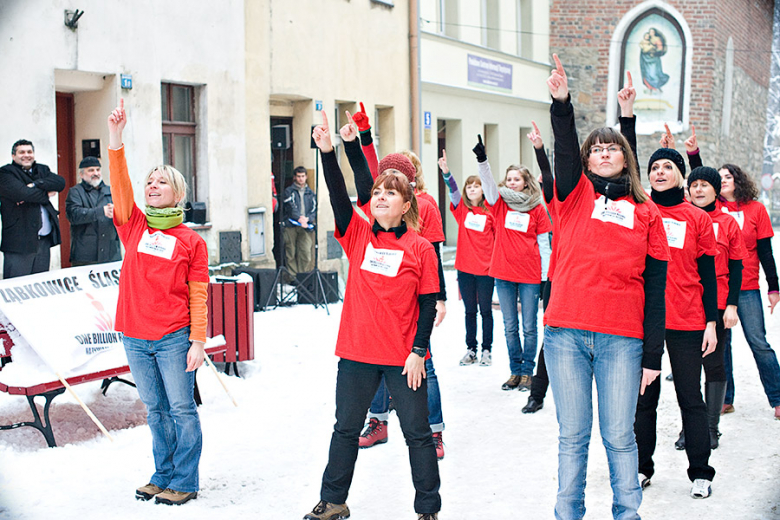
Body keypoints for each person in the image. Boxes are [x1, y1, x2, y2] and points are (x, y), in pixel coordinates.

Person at [544, 54, 669, 519]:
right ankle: (568, 513)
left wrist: (652, 357)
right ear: (586, 159)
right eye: (595, 148)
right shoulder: (573, 196)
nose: (603, 153)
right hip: (566, 335)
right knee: (572, 437)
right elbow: (562, 144)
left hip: (622, 340)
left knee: (619, 437)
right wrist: (562, 102)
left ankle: (627, 513)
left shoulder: (646, 212)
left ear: (625, 157)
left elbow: (655, 291)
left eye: (612, 148)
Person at [305, 111, 440, 520]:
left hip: (404, 358)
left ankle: (427, 509)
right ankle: (333, 500)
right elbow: (339, 194)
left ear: (405, 205)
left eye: (391, 192)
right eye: (378, 190)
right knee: (345, 428)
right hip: (358, 353)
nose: (380, 195)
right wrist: (329, 150)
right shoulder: (358, 236)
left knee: (417, 434)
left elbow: (429, 305)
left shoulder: (420, 248)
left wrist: (419, 350)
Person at [107, 100, 209, 506]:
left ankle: (184, 480)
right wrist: (115, 136)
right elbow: (119, 183)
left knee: (182, 410)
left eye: (161, 182)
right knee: (155, 411)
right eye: (150, 181)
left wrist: (197, 341)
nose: (152, 186)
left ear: (177, 192)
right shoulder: (133, 225)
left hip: (173, 337)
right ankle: (162, 474)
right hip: (135, 335)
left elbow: (198, 295)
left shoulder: (191, 241)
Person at [348, 107, 447, 459]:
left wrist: (440, 299)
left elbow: (433, 253)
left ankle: (433, 431)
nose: (386, 181)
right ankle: (378, 421)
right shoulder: (379, 202)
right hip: (380, 296)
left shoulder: (425, 206)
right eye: (384, 176)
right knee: (374, 361)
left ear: (410, 181)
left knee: (424, 364)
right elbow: (367, 174)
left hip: (413, 298)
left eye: (395, 176)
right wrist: (363, 135)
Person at [634, 144, 718, 499]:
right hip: (644, 320)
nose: (660, 172)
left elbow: (709, 274)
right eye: (654, 167)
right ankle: (641, 466)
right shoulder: (640, 211)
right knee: (643, 399)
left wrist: (711, 322)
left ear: (680, 174)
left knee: (690, 396)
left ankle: (701, 471)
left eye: (668, 166)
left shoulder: (698, 218)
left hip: (687, 317)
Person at [475, 135, 552, 392]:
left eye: (516, 179)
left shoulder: (537, 208)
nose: (512, 183)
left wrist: (545, 278)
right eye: (508, 179)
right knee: (510, 327)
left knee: (529, 327)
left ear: (525, 182)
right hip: (504, 273)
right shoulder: (500, 205)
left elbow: (544, 245)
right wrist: (482, 161)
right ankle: (514, 371)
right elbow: (487, 185)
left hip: (530, 276)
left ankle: (528, 372)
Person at [686, 164, 746, 449]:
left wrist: (732, 305)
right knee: (688, 370)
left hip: (719, 304)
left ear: (715, 190)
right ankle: (691, 428)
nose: (699, 189)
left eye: (704, 185)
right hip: (685, 303)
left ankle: (710, 427)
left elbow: (737, 267)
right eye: (694, 185)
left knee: (713, 364)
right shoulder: (681, 218)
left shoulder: (728, 223)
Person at [718, 163, 780, 420]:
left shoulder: (756, 209)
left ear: (738, 180)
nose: (723, 181)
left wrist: (774, 287)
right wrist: (692, 154)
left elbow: (766, 251)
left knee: (758, 342)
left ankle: (777, 398)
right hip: (720, 287)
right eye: (719, 177)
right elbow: (694, 183)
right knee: (722, 346)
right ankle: (725, 398)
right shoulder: (713, 208)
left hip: (747, 287)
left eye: (728, 176)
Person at [438, 150, 495, 367]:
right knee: (470, 311)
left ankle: (487, 350)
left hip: (486, 269)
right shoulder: (462, 210)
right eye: (469, 186)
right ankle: (471, 349)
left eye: (476, 186)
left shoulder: (491, 212)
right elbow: (452, 191)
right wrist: (446, 173)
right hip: (466, 269)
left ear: (483, 190)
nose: (472, 189)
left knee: (486, 311)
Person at [0, 139, 65, 278]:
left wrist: (36, 184)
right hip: (19, 244)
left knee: (40, 286)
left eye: (29, 151)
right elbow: (22, 193)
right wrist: (46, 193)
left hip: (43, 241)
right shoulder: (5, 173)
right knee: (17, 288)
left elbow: (60, 183)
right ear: (13, 156)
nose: (26, 155)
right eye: (21, 152)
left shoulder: (42, 169)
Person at [65, 156, 122, 266]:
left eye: (98, 169)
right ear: (81, 174)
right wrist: (101, 211)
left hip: (111, 252)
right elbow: (74, 215)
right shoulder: (75, 192)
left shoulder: (112, 191)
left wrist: (118, 213)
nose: (95, 173)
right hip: (85, 254)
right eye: (91, 170)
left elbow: (126, 216)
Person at [282, 166, 316, 279]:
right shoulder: (289, 191)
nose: (301, 179)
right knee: (291, 253)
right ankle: (293, 278)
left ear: (306, 177)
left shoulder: (310, 193)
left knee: (305, 253)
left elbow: (314, 209)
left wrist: (308, 220)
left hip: (306, 226)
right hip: (291, 225)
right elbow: (291, 207)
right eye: (298, 176)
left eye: (303, 176)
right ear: (295, 177)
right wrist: (300, 218)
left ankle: (303, 277)